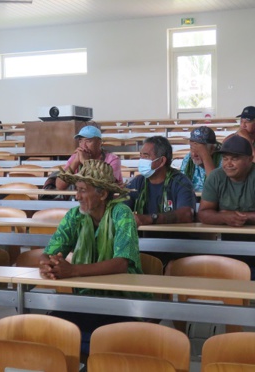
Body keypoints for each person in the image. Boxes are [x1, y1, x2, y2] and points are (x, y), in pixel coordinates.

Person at [39, 159, 148, 354]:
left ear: (103, 194)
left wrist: (72, 270)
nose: (77, 196)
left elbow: (121, 264)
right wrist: (49, 264)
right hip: (86, 297)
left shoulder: (122, 214)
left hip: (123, 301)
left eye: (82, 190)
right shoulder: (75, 216)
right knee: (49, 330)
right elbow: (50, 252)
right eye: (77, 189)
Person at [197, 135, 255, 279]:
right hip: (225, 246)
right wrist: (224, 216)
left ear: (249, 159)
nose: (228, 164)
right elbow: (203, 213)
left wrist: (236, 216)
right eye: (225, 158)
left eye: (234, 159)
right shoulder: (215, 177)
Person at [125, 136, 196, 226]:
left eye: (146, 156)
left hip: (175, 238)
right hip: (146, 239)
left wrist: (151, 218)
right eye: (140, 156)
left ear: (161, 161)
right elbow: (122, 207)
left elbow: (186, 214)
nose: (141, 160)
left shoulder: (180, 182)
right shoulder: (138, 182)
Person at [43, 125, 122, 191]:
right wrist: (75, 162)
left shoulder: (112, 159)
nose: (83, 146)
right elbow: (60, 186)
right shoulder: (76, 157)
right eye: (80, 141)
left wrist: (85, 162)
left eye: (88, 141)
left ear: (99, 142)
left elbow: (104, 186)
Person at [180, 126, 223, 192]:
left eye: (199, 150)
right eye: (192, 148)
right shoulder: (188, 158)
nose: (194, 154)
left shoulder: (222, 159)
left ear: (212, 149)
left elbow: (215, 186)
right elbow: (181, 185)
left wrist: (205, 156)